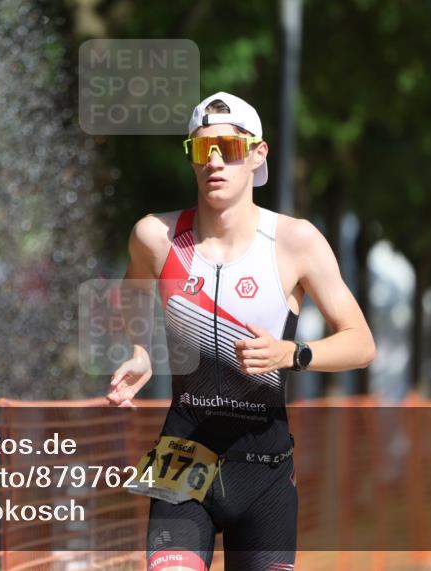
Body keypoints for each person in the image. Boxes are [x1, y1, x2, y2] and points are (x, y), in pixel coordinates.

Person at [105, 92, 376, 571]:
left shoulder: (296, 241)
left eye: (228, 148)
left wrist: (292, 353)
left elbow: (360, 342)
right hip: (182, 462)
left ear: (257, 154)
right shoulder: (156, 237)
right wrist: (139, 350)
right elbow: (131, 293)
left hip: (264, 474)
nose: (214, 161)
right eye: (200, 149)